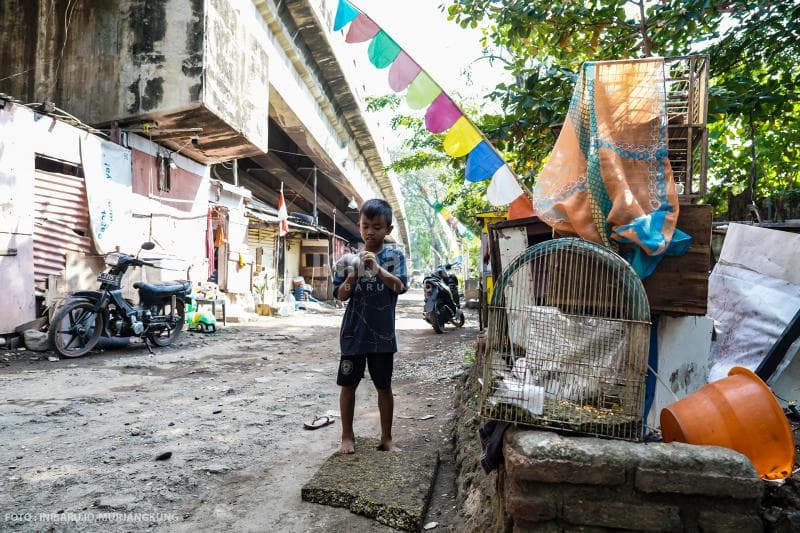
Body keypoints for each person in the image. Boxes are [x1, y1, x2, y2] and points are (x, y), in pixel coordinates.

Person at [333, 199, 407, 454]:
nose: (370, 232)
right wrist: (353, 275)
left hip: (382, 336)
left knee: (383, 387)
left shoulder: (395, 257)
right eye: (365, 226)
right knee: (348, 386)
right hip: (353, 334)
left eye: (377, 227)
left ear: (388, 229)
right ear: (359, 226)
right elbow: (341, 295)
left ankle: (386, 438)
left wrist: (377, 269)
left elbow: (400, 287)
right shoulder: (347, 260)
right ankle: (347, 436)